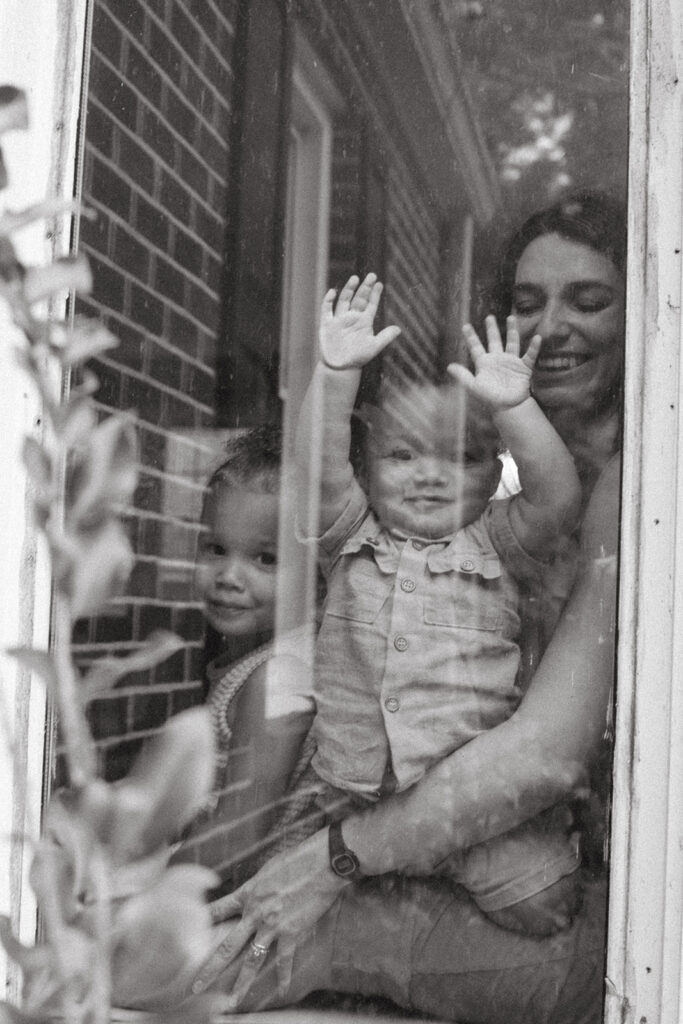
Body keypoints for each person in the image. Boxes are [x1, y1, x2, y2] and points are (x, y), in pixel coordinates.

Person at [176, 190, 624, 1023]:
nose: (553, 325)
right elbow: (320, 480)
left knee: (569, 951)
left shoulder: (567, 508)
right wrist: (335, 374)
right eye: (526, 303)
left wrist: (331, 868)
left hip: (502, 836)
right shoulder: (383, 531)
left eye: (589, 299)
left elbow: (544, 755)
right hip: (384, 806)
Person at [278, 272, 582, 935]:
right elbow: (312, 472)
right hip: (349, 801)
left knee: (545, 905)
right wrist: (334, 375)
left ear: (492, 471)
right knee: (287, 907)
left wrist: (512, 406)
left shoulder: (499, 545)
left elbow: (558, 497)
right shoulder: (352, 537)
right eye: (401, 454)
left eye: (457, 458)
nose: (426, 473)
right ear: (368, 466)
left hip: (466, 810)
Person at [189, 425, 316, 881]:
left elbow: (236, 838)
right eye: (217, 549)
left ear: (318, 573)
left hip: (248, 914)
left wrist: (144, 892)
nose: (228, 576)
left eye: (265, 559)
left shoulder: (280, 677)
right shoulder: (262, 664)